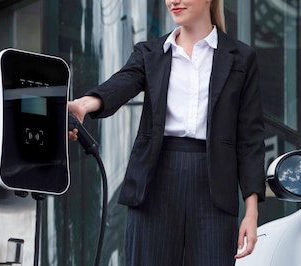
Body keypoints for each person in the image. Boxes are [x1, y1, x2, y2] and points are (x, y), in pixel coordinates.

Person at [68, 0, 265, 265]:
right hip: (154, 181)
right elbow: (121, 84)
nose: (173, 1)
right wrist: (83, 105)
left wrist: (251, 213)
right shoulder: (151, 52)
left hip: (214, 187)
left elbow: (250, 138)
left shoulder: (241, 57)